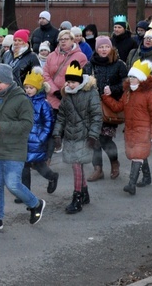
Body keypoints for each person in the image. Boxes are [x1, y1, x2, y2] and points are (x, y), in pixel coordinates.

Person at [0, 64, 46, 233]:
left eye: (0, 82)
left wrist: (3, 126)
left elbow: (26, 125)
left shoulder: (21, 100)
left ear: (9, 82)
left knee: (12, 184)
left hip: (14, 150)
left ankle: (35, 204)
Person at [101, 60, 152, 195]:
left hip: (143, 131)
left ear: (141, 79)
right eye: (130, 76)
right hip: (130, 129)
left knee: (137, 155)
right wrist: (106, 97)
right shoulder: (127, 93)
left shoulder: (149, 95)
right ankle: (147, 177)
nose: (131, 79)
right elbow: (118, 107)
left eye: (134, 77)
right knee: (139, 154)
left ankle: (131, 184)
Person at [52, 61, 101, 214]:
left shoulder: (90, 93)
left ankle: (77, 198)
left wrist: (93, 135)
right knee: (77, 165)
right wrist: (57, 134)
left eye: (73, 82)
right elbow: (61, 116)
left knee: (76, 165)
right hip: (70, 135)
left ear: (79, 81)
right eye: (68, 81)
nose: (70, 84)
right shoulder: (66, 94)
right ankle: (84, 193)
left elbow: (97, 116)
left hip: (84, 136)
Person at [88, 35, 127, 182]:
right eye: (100, 47)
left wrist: (113, 89)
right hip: (92, 108)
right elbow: (83, 81)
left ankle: (114, 163)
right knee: (93, 140)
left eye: (106, 47)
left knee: (105, 139)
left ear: (111, 48)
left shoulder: (119, 64)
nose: (104, 50)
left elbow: (126, 84)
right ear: (96, 49)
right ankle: (98, 169)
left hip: (109, 107)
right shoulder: (90, 64)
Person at [19, 67, 59, 199]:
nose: (28, 90)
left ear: (38, 88)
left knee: (38, 165)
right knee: (24, 165)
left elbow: (48, 123)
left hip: (37, 140)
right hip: (24, 138)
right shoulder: (23, 101)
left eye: (31, 87)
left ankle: (52, 177)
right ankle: (26, 193)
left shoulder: (44, 104)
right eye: (27, 87)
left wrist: (41, 138)